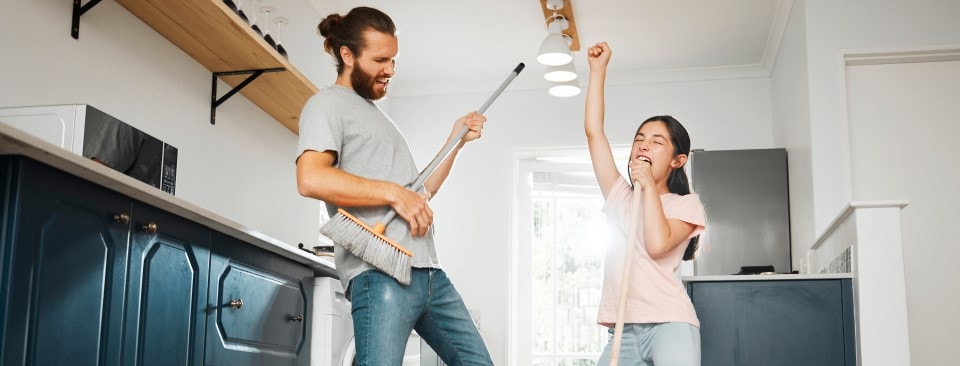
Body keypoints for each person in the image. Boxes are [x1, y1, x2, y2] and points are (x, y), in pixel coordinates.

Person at [295, 6, 494, 366]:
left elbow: (422, 190)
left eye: (394, 61)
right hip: (380, 275)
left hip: (429, 273)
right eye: (380, 60)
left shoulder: (378, 118)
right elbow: (310, 178)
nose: (390, 70)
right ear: (347, 55)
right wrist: (392, 192)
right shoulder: (325, 105)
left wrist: (456, 140)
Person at [584, 41, 706, 366]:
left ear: (677, 160)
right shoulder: (619, 197)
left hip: (670, 324)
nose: (644, 145)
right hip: (621, 331)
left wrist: (649, 186)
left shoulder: (687, 206)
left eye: (656, 142)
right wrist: (597, 71)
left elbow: (656, 244)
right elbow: (594, 133)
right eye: (639, 139)